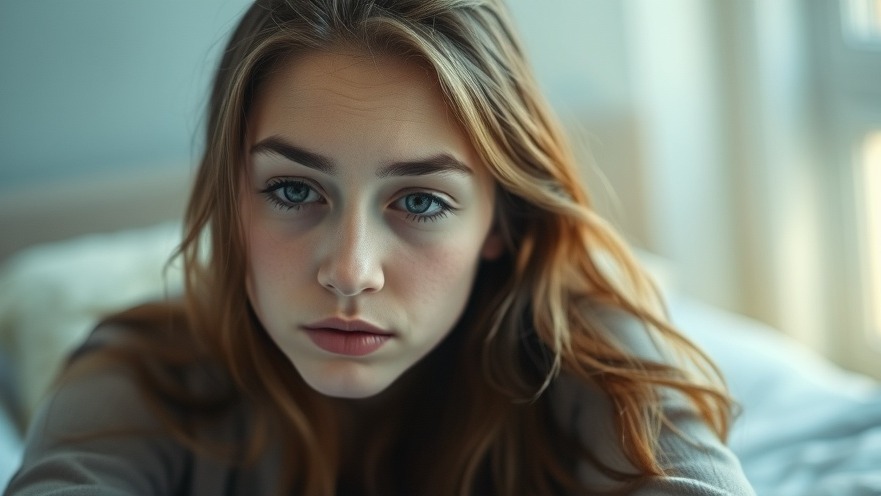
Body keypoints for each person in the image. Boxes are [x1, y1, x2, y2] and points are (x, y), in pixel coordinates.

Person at [6, 0, 756, 494]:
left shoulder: (590, 356)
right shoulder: (142, 373)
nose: (348, 271)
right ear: (232, 201)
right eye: (294, 191)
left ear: (498, 223)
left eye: (421, 201)